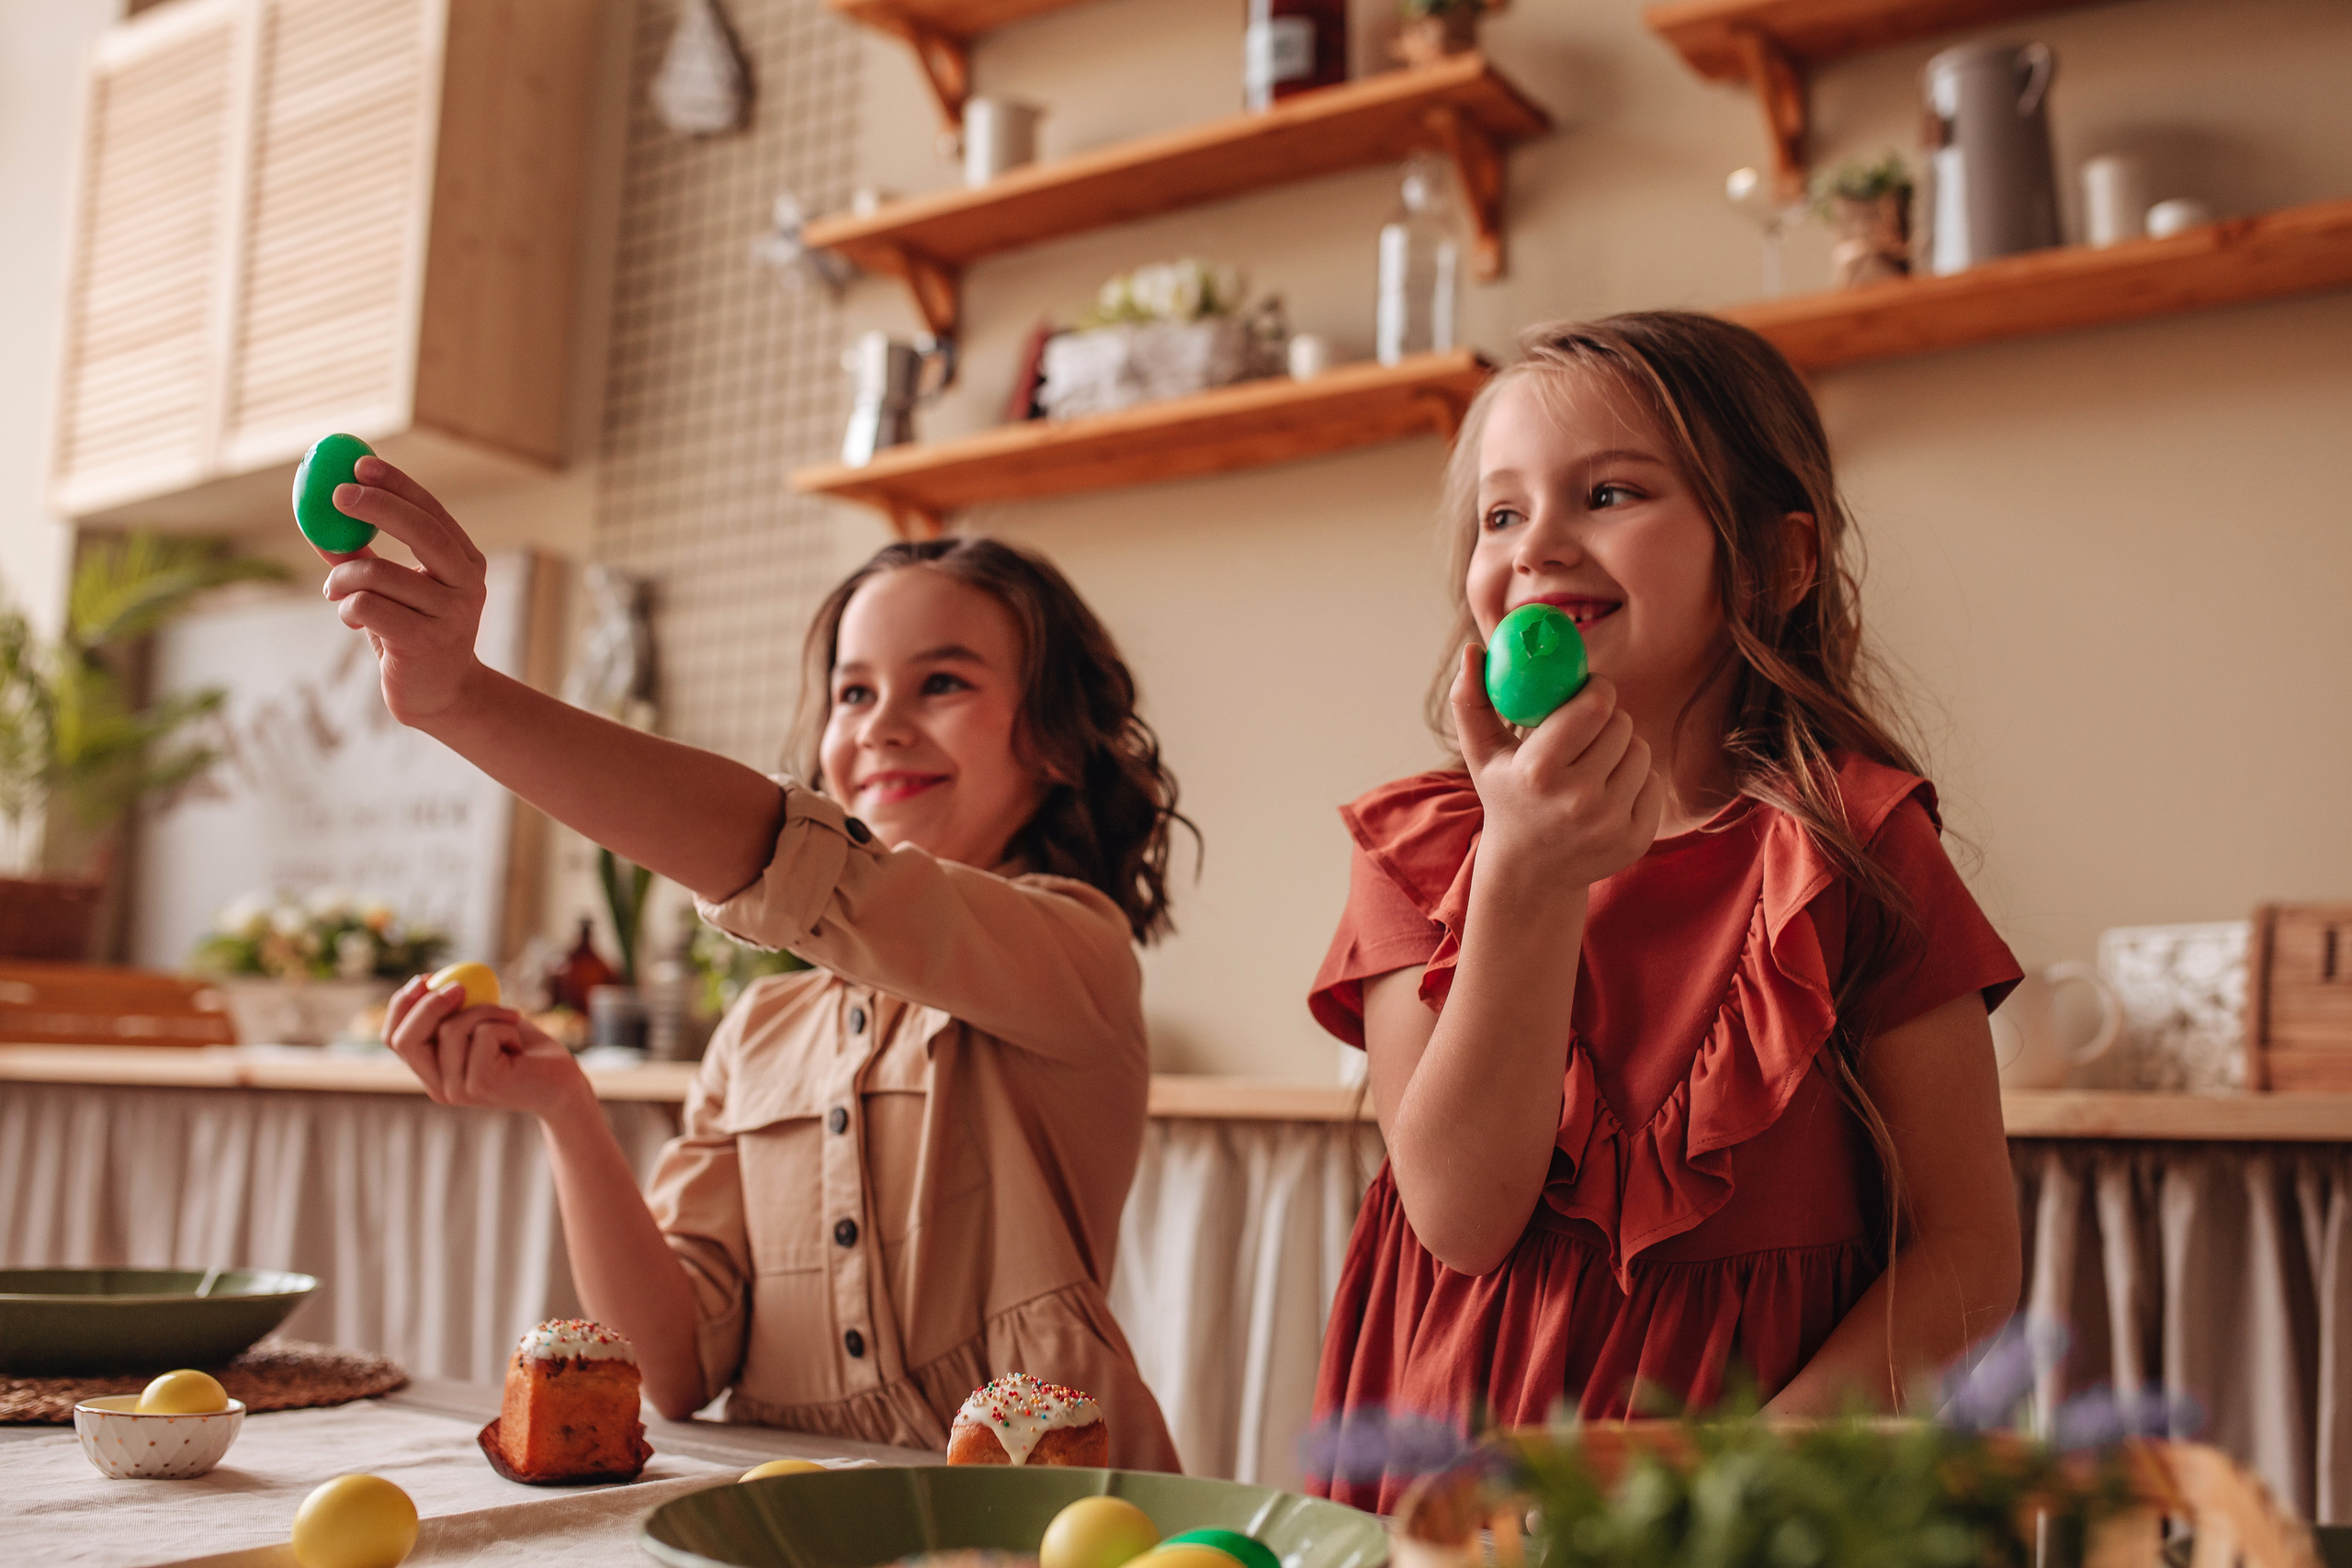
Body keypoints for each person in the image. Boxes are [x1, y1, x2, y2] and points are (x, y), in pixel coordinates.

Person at [318, 463, 1185, 1468]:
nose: (880, 724)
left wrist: (464, 698)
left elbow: (792, 859)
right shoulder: (759, 1035)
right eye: (852, 691)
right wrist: (565, 1107)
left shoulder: (1076, 953)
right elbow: (673, 1366)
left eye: (943, 682)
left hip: (1050, 1519)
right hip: (794, 1513)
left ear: (1057, 743)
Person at [1304, 312, 2024, 1510]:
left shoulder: (1856, 848)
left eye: (1608, 493)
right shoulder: (1418, 854)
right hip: (1462, 1482)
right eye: (1499, 514)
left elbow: (1968, 1250)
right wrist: (1525, 873)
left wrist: (1741, 1480)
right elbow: (1462, 1219)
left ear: (1776, 563)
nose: (1537, 546)